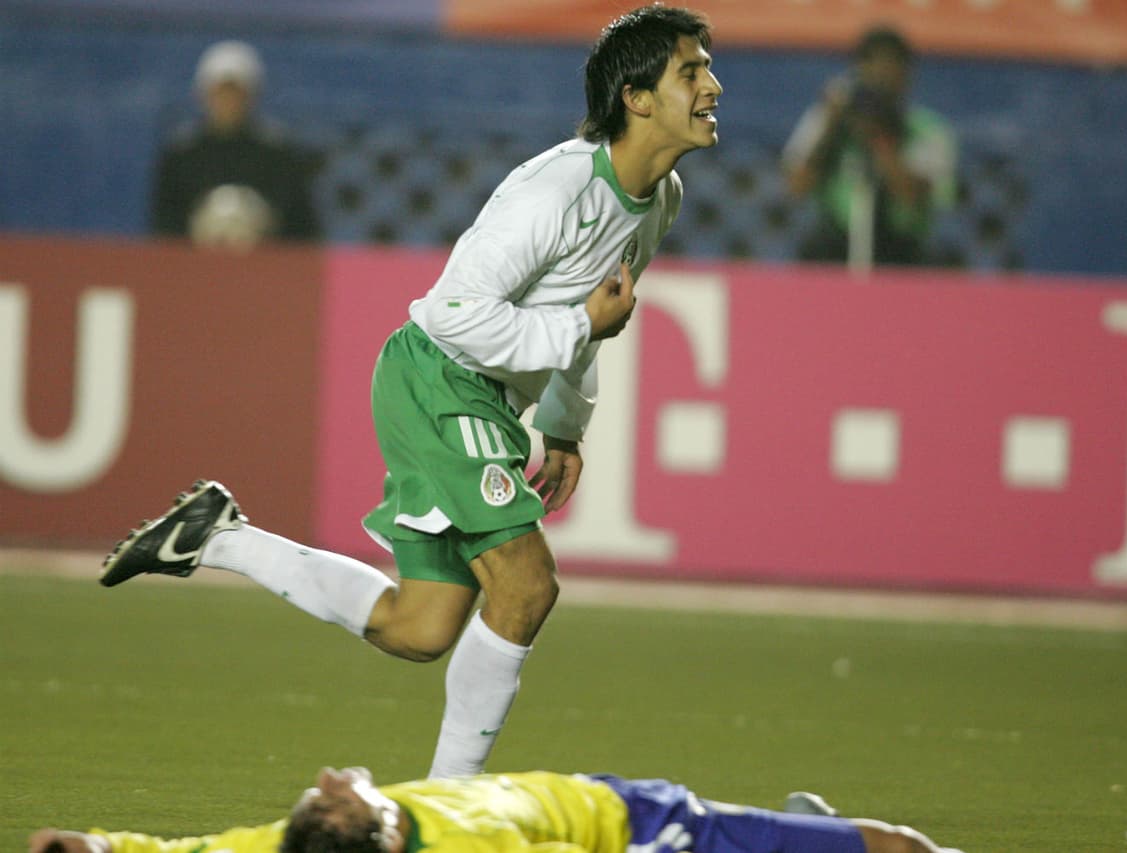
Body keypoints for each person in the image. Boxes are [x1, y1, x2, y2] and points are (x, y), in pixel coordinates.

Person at [101, 5, 722, 781]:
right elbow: (457, 314)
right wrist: (572, 329)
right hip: (439, 376)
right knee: (526, 585)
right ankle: (445, 805)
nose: (712, 86)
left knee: (421, 625)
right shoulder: (557, 190)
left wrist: (562, 427)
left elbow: (594, 314)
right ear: (636, 97)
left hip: (484, 401)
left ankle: (218, 536)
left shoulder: (659, 200)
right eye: (691, 72)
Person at [29, 764, 971, 853]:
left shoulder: (300, 846)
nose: (327, 775)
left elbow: (198, 851)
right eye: (335, 792)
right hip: (657, 826)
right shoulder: (471, 844)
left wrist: (101, 843)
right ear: (384, 830)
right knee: (900, 847)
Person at [781, 25, 956, 268]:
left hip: (900, 249)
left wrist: (879, 137)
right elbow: (797, 186)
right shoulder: (827, 118)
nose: (880, 79)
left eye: (890, 69)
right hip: (835, 242)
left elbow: (913, 196)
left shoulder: (928, 131)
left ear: (907, 75)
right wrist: (831, 125)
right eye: (872, 68)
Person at [149, 39, 321, 248]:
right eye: (221, 92)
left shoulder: (277, 154)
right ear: (203, 95)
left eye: (236, 92)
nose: (228, 101)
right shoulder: (182, 154)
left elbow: (301, 226)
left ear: (252, 96)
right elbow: (164, 225)